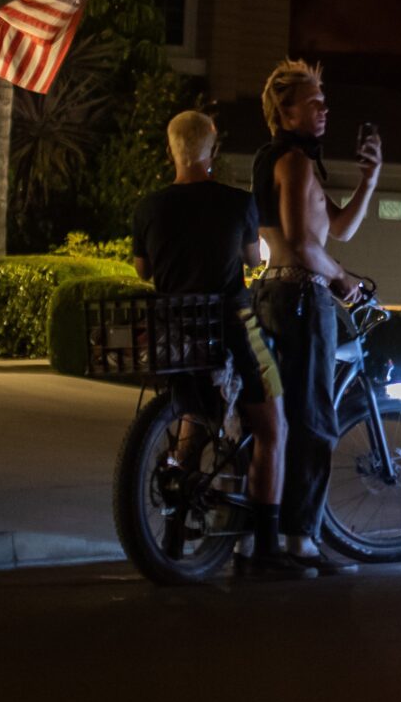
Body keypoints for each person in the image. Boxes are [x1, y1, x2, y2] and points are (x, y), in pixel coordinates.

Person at [131, 110, 305, 578]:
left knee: (192, 414)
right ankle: (265, 550)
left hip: (176, 329)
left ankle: (172, 532)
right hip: (234, 321)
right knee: (273, 426)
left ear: (172, 149)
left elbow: (143, 271)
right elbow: (251, 259)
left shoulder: (148, 207)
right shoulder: (237, 202)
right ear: (212, 149)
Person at [249, 59, 382, 574]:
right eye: (313, 103)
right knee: (316, 421)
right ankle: (301, 539)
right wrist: (344, 282)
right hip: (304, 299)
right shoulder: (297, 163)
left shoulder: (278, 159)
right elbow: (307, 246)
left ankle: (256, 533)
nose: (324, 110)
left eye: (325, 102)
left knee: (273, 419)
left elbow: (339, 228)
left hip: (269, 295)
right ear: (284, 113)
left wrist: (369, 179)